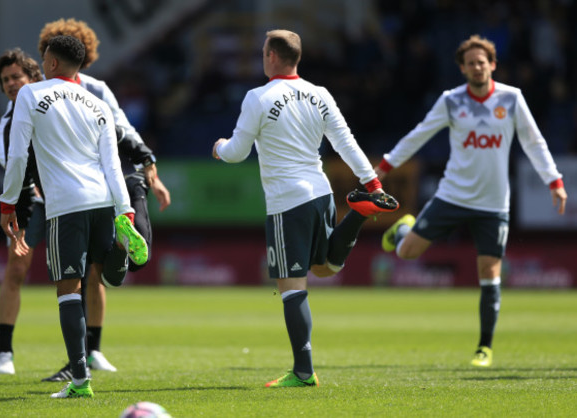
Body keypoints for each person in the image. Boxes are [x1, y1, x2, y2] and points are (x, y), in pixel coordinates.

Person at [212, 29, 398, 388]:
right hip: (320, 192)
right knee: (326, 267)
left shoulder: (258, 97)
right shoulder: (320, 94)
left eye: (263, 52)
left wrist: (219, 147)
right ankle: (358, 212)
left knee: (292, 286)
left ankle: (302, 371)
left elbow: (236, 153)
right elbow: (345, 141)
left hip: (287, 201)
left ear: (272, 57)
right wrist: (372, 183)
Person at [375, 34, 568, 368]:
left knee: (489, 272)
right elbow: (420, 133)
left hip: (493, 203)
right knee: (406, 253)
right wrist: (386, 165)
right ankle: (405, 231)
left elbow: (534, 142)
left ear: (492, 65)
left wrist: (554, 181)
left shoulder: (511, 99)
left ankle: (484, 348)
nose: (478, 67)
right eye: (471, 63)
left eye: (483, 62)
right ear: (462, 68)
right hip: (452, 194)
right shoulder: (451, 101)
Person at [0, 35, 148, 398]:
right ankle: (116, 253)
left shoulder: (30, 96)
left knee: (69, 290)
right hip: (103, 202)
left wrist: (8, 204)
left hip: (65, 207)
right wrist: (124, 211)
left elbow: (18, 156)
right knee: (95, 278)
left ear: (49, 63)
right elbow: (113, 164)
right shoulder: (96, 104)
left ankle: (80, 381)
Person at [36, 18, 171, 382]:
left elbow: (123, 127)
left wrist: (148, 162)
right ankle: (85, 354)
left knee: (127, 259)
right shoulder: (41, 94)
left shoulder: (95, 89)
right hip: (88, 189)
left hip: (122, 174)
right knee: (85, 274)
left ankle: (119, 247)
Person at [0, 48, 45, 375]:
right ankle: (4, 352)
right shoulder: (3, 133)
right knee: (16, 271)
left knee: (83, 274)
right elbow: (17, 171)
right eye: (5, 80)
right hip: (29, 205)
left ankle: (88, 352)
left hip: (66, 200)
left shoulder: (54, 107)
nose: (11, 84)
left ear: (32, 78)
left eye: (16, 77)